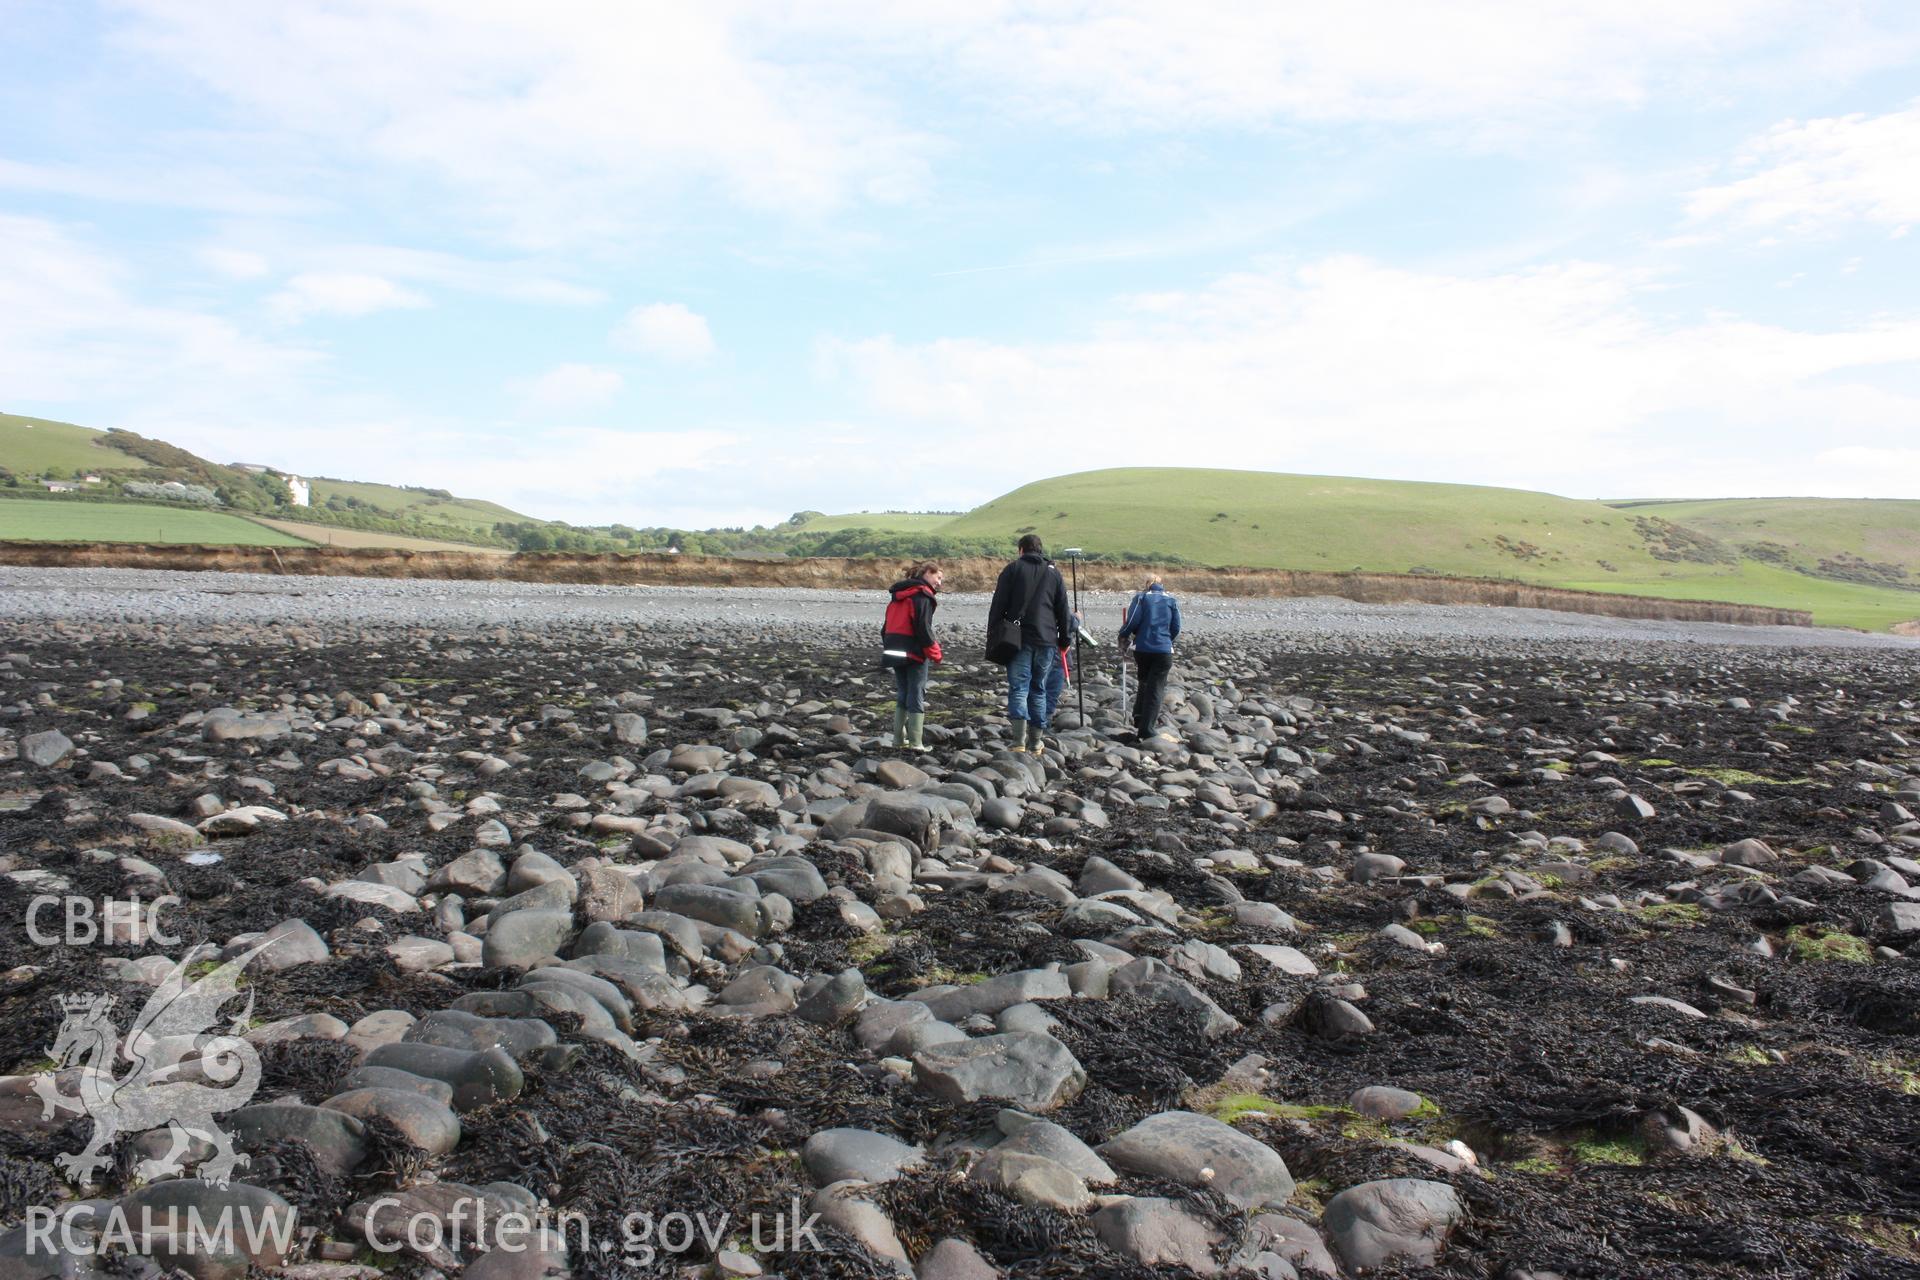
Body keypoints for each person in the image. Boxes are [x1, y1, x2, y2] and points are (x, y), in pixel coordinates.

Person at [986, 534, 1072, 753]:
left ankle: (1018, 742)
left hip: (1018, 639)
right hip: (1047, 640)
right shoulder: (1054, 573)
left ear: (1021, 550)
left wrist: (993, 633)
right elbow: (1063, 610)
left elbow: (998, 605)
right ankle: (1035, 742)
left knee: (1019, 688)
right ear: (1040, 550)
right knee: (1038, 688)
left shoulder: (1012, 569)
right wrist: (1064, 640)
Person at [881, 561, 943, 751]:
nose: (940, 583)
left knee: (903, 692)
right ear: (927, 573)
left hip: (893, 648)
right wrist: (935, 653)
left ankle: (898, 739)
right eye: (938, 577)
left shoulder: (897, 596)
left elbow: (885, 628)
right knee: (916, 692)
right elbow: (923, 629)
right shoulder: (922, 596)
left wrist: (890, 644)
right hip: (913, 651)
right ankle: (916, 742)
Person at [1118, 573, 1180, 741]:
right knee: (1156, 688)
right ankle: (1146, 728)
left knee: (1144, 681)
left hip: (1142, 648)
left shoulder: (1141, 598)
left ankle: (1139, 716)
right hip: (1163, 649)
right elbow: (1176, 627)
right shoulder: (1171, 601)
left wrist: (1124, 634)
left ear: (1147, 585)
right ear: (1161, 584)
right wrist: (1168, 640)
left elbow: (1132, 621)